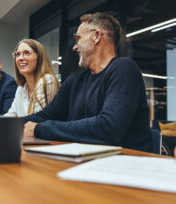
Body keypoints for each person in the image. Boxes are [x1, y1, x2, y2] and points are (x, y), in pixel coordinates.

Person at [23, 12, 152, 152]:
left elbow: (109, 128)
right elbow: (45, 116)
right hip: (86, 159)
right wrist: (7, 124)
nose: (75, 47)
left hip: (126, 164)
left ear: (96, 36)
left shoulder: (124, 69)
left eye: (78, 39)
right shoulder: (74, 81)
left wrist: (40, 129)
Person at [4, 39, 60, 117]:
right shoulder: (22, 88)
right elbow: (12, 114)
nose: (20, 58)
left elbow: (34, 120)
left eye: (27, 53)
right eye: (17, 54)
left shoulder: (47, 81)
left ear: (39, 57)